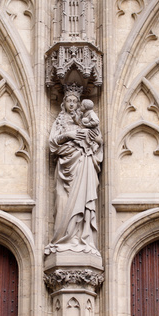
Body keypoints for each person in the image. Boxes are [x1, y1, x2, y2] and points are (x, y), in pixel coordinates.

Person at [45, 90, 103, 256]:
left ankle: (81, 237)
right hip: (65, 165)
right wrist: (68, 135)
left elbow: (99, 141)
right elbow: (52, 144)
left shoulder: (85, 121)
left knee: (82, 199)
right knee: (62, 202)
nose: (72, 104)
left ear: (79, 104)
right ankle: (62, 238)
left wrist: (91, 138)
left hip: (83, 163)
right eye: (69, 100)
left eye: (74, 101)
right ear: (64, 103)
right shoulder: (60, 121)